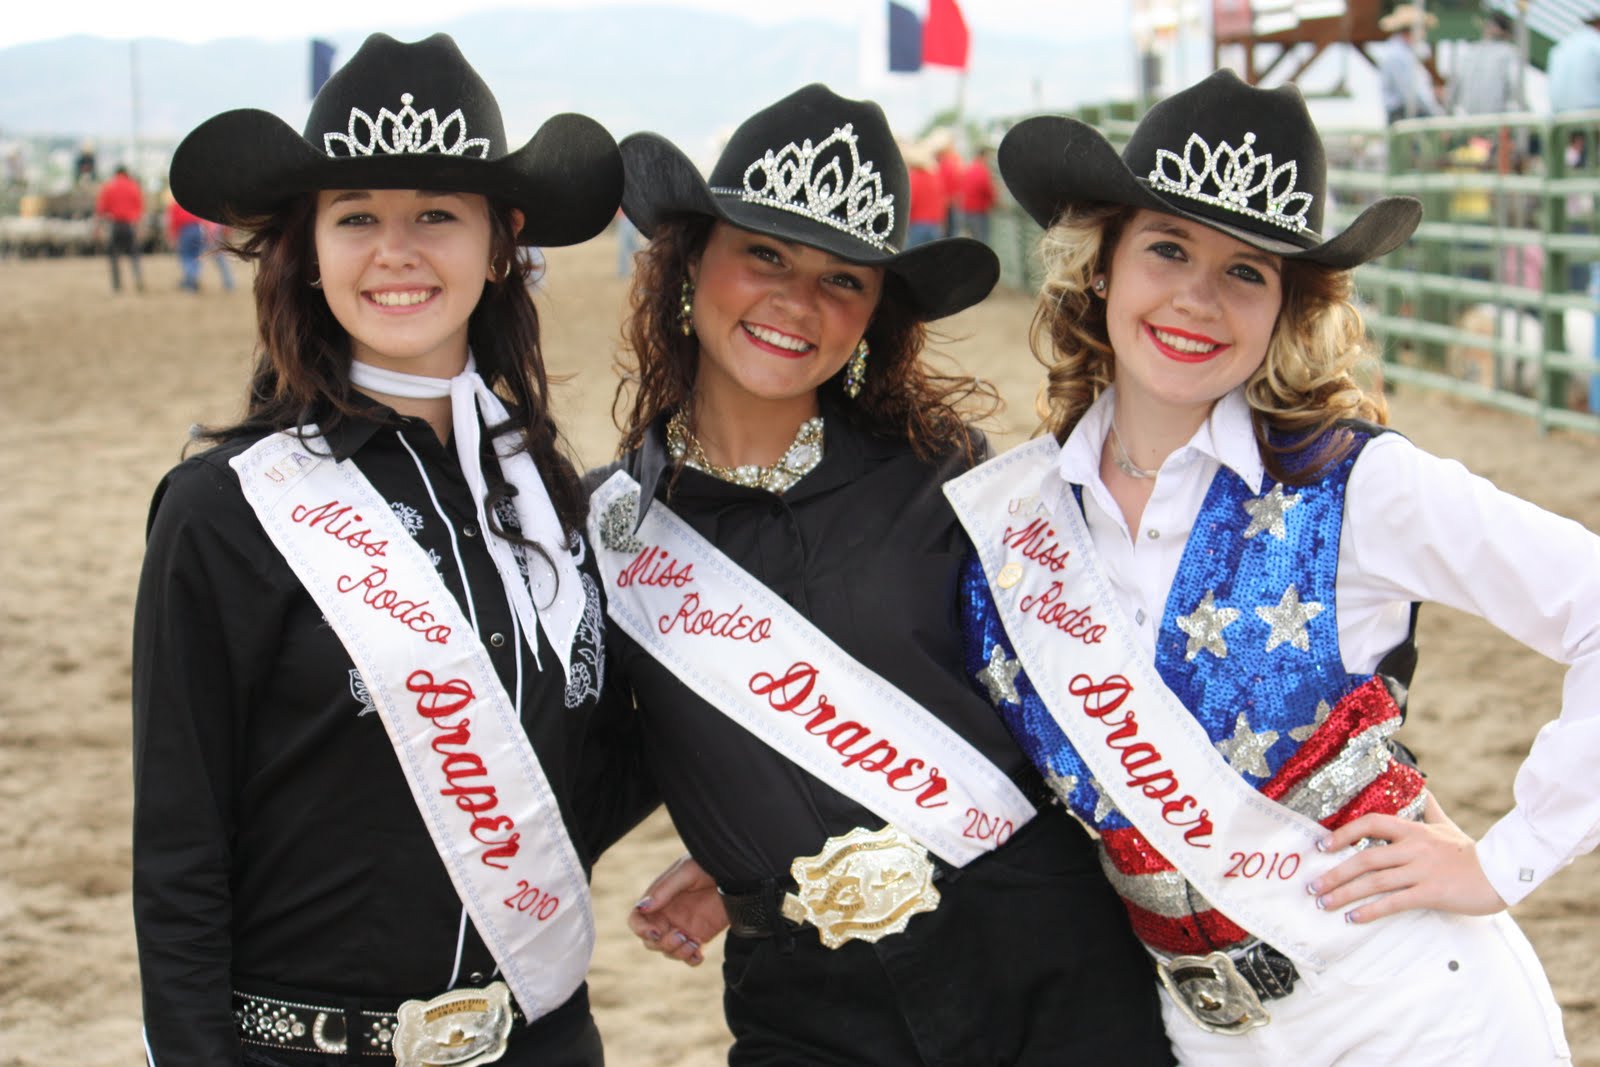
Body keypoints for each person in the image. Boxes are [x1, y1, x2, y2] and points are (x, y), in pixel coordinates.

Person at [949, 68, 1584, 1065]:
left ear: (1288, 303)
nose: (1197, 298)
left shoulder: (1353, 482)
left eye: (1246, 270)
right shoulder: (1019, 517)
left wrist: (1504, 862)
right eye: (1167, 248)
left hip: (1413, 1016)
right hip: (1203, 1032)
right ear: (1101, 263)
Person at [589, 84, 1173, 1065]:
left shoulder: (953, 477)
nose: (794, 301)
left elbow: (1086, 697)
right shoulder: (608, 526)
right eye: (763, 253)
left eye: (841, 279)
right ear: (693, 265)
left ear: (872, 314)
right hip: (806, 997)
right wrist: (747, 827)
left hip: (1038, 946)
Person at [133, 32, 632, 1067]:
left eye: (436, 216)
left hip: (540, 1040)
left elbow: (591, 760)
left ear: (500, 245)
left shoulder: (550, 493)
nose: (395, 250)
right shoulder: (225, 508)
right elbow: (180, 851)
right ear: (307, 251)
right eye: (356, 216)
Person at [1375, 4, 1443, 124]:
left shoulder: (1402, 53)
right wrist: (1437, 115)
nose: (1424, 34)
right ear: (1412, 31)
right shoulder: (1399, 55)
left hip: (1406, 115)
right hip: (1405, 116)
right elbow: (1413, 93)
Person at [1446, 10, 1524, 116]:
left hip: (1468, 122)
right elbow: (1516, 87)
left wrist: (1448, 113)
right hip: (1496, 122)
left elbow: (1453, 89)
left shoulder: (1470, 52)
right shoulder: (1509, 53)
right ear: (1506, 33)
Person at [95, 163, 144, 292]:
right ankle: (137, 278)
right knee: (134, 255)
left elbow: (101, 209)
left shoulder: (109, 186)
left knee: (114, 256)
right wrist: (139, 227)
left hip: (115, 225)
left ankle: (117, 285)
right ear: (126, 173)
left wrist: (98, 227)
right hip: (129, 225)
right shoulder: (133, 186)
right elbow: (139, 208)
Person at [958, 144, 998, 244]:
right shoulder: (981, 170)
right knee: (982, 240)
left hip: (967, 210)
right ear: (984, 155)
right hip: (978, 212)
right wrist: (995, 201)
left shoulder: (970, 167)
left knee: (973, 239)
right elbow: (987, 189)